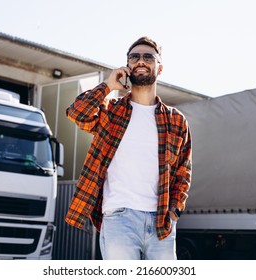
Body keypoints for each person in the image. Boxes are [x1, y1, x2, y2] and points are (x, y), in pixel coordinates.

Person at [65, 36, 192, 260]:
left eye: (148, 57)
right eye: (134, 57)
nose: (140, 61)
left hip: (161, 222)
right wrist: (108, 85)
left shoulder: (176, 120)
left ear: (159, 68)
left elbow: (183, 171)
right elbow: (77, 112)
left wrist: (174, 211)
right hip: (119, 218)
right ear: (127, 66)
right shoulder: (111, 111)